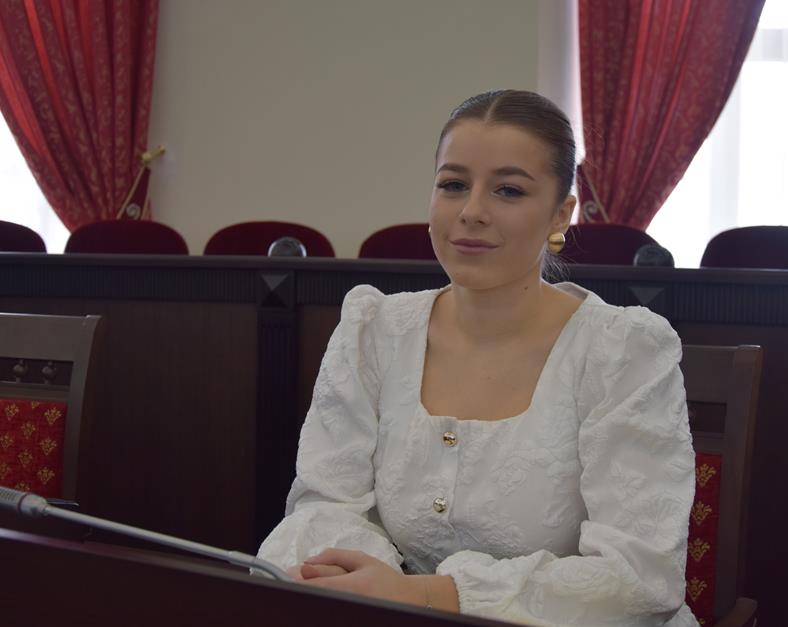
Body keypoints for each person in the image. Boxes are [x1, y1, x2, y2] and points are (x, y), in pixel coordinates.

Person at [258, 90, 697, 626]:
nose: (471, 212)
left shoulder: (624, 352)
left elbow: (639, 579)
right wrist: (375, 590)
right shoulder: (373, 330)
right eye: (453, 185)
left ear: (560, 214)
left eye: (508, 190)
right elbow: (325, 507)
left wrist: (424, 595)